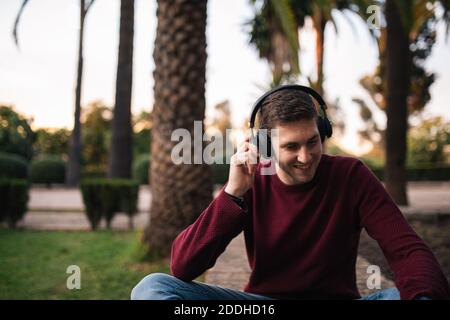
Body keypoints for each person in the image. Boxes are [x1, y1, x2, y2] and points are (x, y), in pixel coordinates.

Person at [131, 86, 449, 300]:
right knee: (152, 287)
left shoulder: (351, 175)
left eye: (312, 141)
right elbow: (183, 266)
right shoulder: (251, 182)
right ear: (264, 146)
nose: (306, 156)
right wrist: (232, 194)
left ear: (321, 130)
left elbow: (406, 250)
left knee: (405, 294)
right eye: (291, 146)